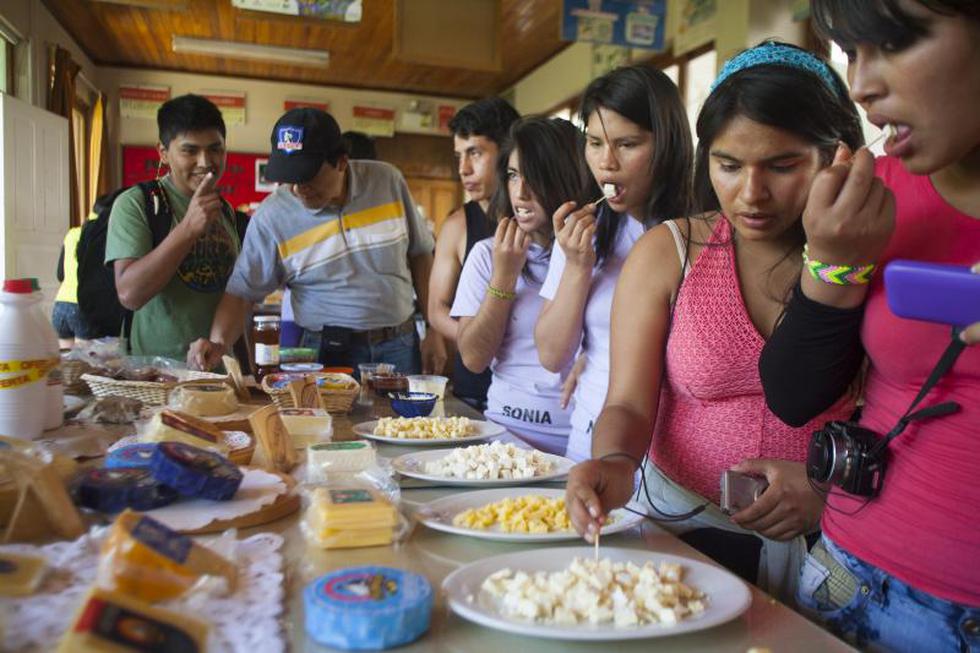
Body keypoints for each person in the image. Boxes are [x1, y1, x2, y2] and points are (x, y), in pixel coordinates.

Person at [564, 42, 863, 603]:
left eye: (782, 165)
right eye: (728, 165)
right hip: (684, 529)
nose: (751, 194)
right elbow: (628, 402)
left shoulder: (865, 258)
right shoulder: (672, 252)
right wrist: (614, 461)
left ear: (835, 155)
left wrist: (830, 490)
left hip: (832, 546)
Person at [755, 3, 980, 651]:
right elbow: (793, 394)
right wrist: (832, 264)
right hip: (850, 582)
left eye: (894, 41)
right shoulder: (872, 194)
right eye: (851, 52)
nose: (861, 84)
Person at [188, 108, 445, 376]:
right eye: (290, 179)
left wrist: (434, 329)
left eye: (308, 176)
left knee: (402, 420)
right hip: (325, 351)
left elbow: (421, 255)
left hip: (398, 345)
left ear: (341, 162)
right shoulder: (272, 216)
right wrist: (218, 343)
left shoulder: (387, 181)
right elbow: (242, 293)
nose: (299, 189)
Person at [534, 65, 693, 462]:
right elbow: (553, 356)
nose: (606, 162)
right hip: (592, 437)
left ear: (667, 144)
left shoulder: (702, 231)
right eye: (594, 142)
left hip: (679, 451)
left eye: (627, 144)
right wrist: (575, 267)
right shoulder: (583, 231)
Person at [451, 117, 597, 454]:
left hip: (579, 437)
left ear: (568, 178)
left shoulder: (600, 253)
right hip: (505, 433)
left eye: (535, 177)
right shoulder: (488, 254)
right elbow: (473, 358)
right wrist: (504, 277)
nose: (521, 192)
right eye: (514, 176)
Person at [106, 94, 241, 359]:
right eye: (190, 151)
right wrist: (188, 229)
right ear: (163, 153)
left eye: (215, 149)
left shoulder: (226, 211)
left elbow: (236, 294)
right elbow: (130, 294)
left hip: (218, 374)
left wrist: (221, 345)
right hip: (158, 377)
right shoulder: (136, 204)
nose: (205, 162)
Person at [429, 97, 520, 409]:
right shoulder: (457, 225)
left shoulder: (540, 221)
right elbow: (437, 310)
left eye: (475, 153)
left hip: (533, 392)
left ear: (508, 151)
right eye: (459, 156)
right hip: (475, 387)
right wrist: (484, 339)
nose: (463, 169)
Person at [53, 194, 112, 348]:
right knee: (84, 365)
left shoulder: (72, 234)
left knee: (68, 366)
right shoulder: (103, 237)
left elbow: (60, 274)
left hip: (60, 306)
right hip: (82, 307)